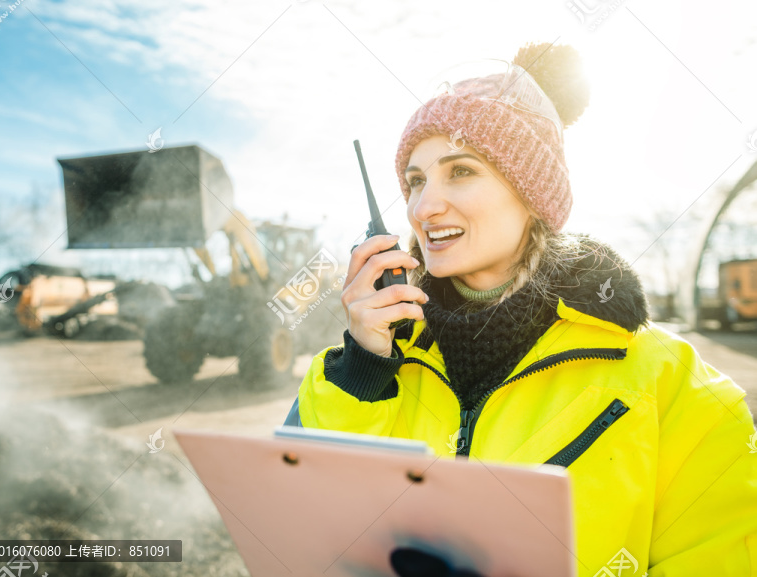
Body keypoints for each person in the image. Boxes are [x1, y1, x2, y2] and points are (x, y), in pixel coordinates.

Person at [286, 42, 757, 575]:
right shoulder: (371, 364)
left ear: (533, 194)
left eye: (460, 171)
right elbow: (309, 533)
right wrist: (364, 370)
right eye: (415, 181)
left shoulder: (671, 383)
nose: (422, 207)